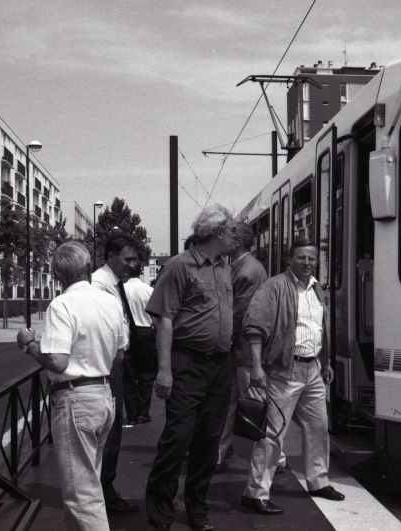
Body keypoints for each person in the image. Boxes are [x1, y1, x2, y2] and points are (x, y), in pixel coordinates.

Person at [16, 241, 127, 530]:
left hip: (76, 400)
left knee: (82, 495)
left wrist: (29, 345)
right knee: (89, 484)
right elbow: (120, 353)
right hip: (105, 395)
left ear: (57, 275)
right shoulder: (110, 301)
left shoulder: (62, 305)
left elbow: (58, 361)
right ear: (88, 268)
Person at [144, 204, 236, 531]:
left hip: (219, 366)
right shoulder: (180, 267)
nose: (234, 235)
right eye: (230, 230)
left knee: (209, 442)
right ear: (214, 233)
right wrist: (165, 370)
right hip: (187, 363)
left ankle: (197, 509)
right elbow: (164, 319)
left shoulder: (225, 266)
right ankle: (159, 514)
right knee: (177, 439)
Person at [240, 238, 345, 515]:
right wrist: (257, 368)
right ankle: (255, 493)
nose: (308, 263)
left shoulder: (316, 289)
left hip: (313, 370)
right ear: (290, 259)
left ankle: (318, 481)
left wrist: (326, 362)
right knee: (272, 434)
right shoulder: (274, 287)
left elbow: (317, 329)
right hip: (284, 370)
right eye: (301, 258)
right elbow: (254, 328)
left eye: (311, 258)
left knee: (319, 427)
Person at [91, 232, 141, 514]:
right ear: (110, 256)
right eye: (127, 259)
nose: (132, 265)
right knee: (109, 432)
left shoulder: (113, 283)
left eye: (134, 259)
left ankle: (104, 490)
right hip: (109, 365)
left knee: (112, 431)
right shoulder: (100, 285)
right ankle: (103, 494)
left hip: (115, 363)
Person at [216, 222, 268, 468]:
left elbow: (239, 314)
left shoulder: (247, 271)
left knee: (253, 403)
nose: (222, 240)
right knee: (232, 404)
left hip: (244, 350)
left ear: (237, 242)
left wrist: (220, 340)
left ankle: (274, 458)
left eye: (226, 236)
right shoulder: (242, 266)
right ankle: (219, 452)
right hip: (239, 350)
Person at [123, 263, 156, 424]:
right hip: (147, 333)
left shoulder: (121, 291)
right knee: (147, 374)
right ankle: (144, 411)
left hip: (128, 333)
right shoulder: (148, 290)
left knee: (129, 376)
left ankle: (132, 413)